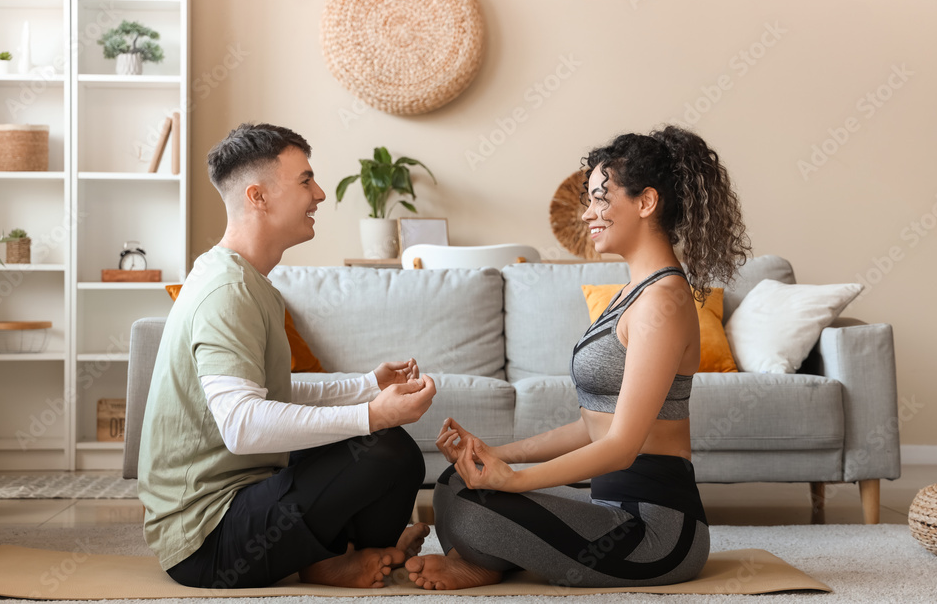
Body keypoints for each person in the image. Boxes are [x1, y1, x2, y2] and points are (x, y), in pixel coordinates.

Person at [406, 126, 751, 590]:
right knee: (456, 483)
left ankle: (486, 559)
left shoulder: (662, 303)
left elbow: (622, 445)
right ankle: (492, 554)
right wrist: (495, 455)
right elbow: (594, 426)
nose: (588, 213)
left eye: (599, 198)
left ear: (646, 202)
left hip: (657, 533)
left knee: (477, 502)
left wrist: (515, 482)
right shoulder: (633, 293)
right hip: (610, 511)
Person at [138, 122, 436, 590]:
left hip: (244, 495)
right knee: (384, 448)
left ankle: (347, 556)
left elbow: (271, 392)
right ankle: (332, 558)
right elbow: (241, 424)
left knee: (385, 442)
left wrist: (366, 387)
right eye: (305, 181)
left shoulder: (245, 280)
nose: (319, 193)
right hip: (206, 540)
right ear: (257, 196)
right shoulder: (228, 290)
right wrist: (370, 415)